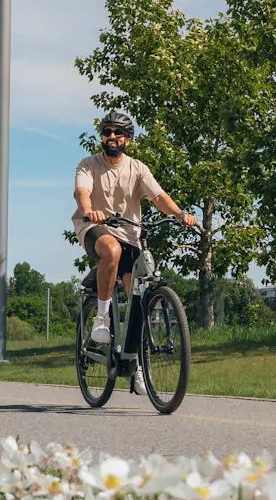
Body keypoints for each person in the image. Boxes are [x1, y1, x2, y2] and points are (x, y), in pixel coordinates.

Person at [72, 110, 196, 344]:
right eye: (107, 132)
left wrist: (180, 214)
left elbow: (158, 197)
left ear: (127, 139)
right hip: (95, 228)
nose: (112, 136)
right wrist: (89, 211)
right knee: (112, 250)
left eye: (118, 133)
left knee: (137, 293)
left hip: (130, 233)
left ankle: (136, 365)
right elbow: (82, 192)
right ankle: (101, 318)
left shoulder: (137, 168)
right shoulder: (88, 165)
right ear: (102, 137)